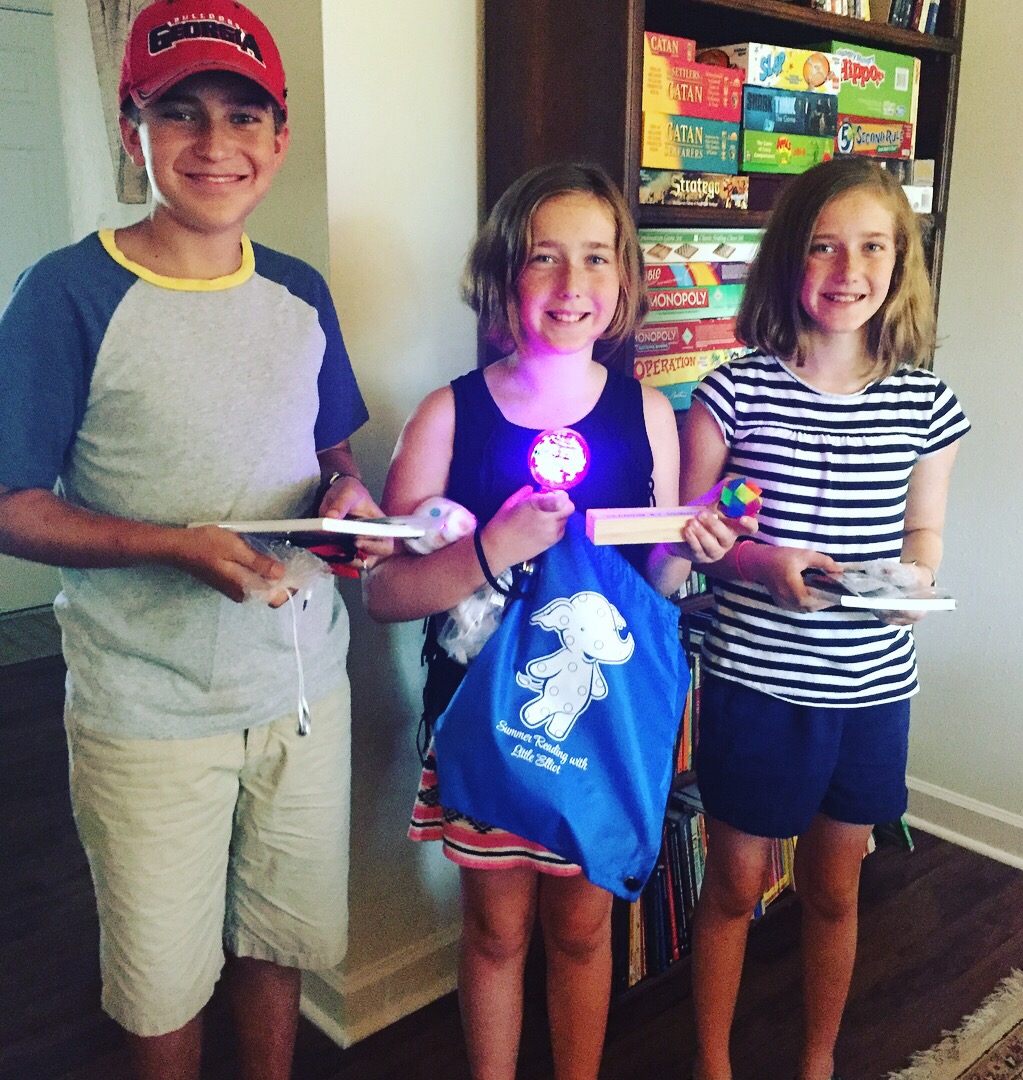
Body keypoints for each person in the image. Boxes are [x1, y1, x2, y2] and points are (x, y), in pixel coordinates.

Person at [0, 2, 390, 1077]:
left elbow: (331, 455)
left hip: (302, 691)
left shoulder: (300, 291)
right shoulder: (67, 294)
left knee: (278, 942)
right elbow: (13, 501)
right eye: (181, 113)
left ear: (280, 138)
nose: (215, 144)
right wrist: (173, 545)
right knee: (162, 980)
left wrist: (351, 496)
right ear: (132, 126)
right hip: (147, 713)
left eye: (242, 115)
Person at [364, 162, 753, 1080]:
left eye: (597, 257)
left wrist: (693, 546)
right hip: (482, 722)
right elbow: (386, 594)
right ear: (504, 273)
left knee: (582, 931)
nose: (573, 283)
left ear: (624, 278)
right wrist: (493, 546)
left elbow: (652, 587)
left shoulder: (648, 413)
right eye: (545, 257)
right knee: (496, 931)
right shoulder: (448, 415)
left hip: (602, 726)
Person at [680, 156, 971, 1080]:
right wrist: (759, 564)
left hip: (871, 690)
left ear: (901, 262)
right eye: (823, 246)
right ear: (787, 259)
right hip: (757, 685)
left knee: (835, 889)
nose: (850, 270)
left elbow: (922, 530)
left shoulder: (926, 403)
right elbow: (697, 537)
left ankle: (818, 1060)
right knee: (734, 885)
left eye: (874, 247)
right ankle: (713, 1063)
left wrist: (918, 580)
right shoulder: (734, 394)